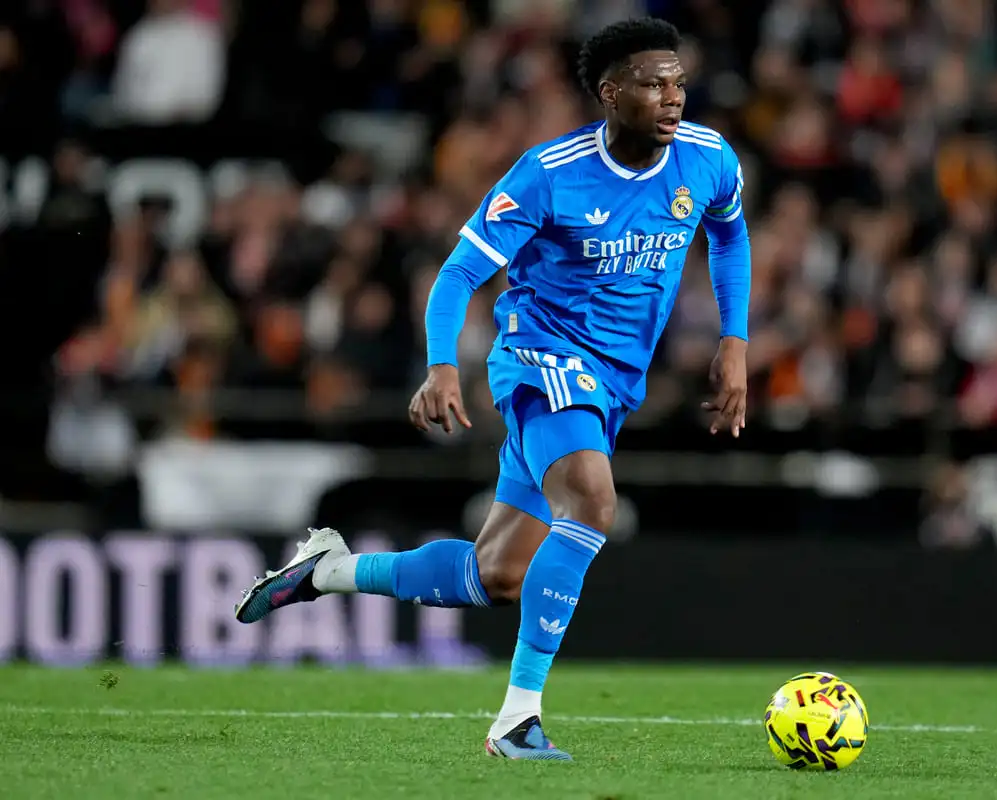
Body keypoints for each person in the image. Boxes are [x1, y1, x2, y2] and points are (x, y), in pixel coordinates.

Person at [233, 17, 751, 761]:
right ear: (610, 93)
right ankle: (517, 720)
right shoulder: (548, 173)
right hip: (541, 356)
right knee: (594, 503)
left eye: (678, 82)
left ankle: (327, 571)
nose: (673, 97)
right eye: (652, 83)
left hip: (614, 381)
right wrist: (442, 364)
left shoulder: (708, 159)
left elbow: (730, 235)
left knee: (497, 575)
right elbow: (459, 275)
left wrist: (734, 339)